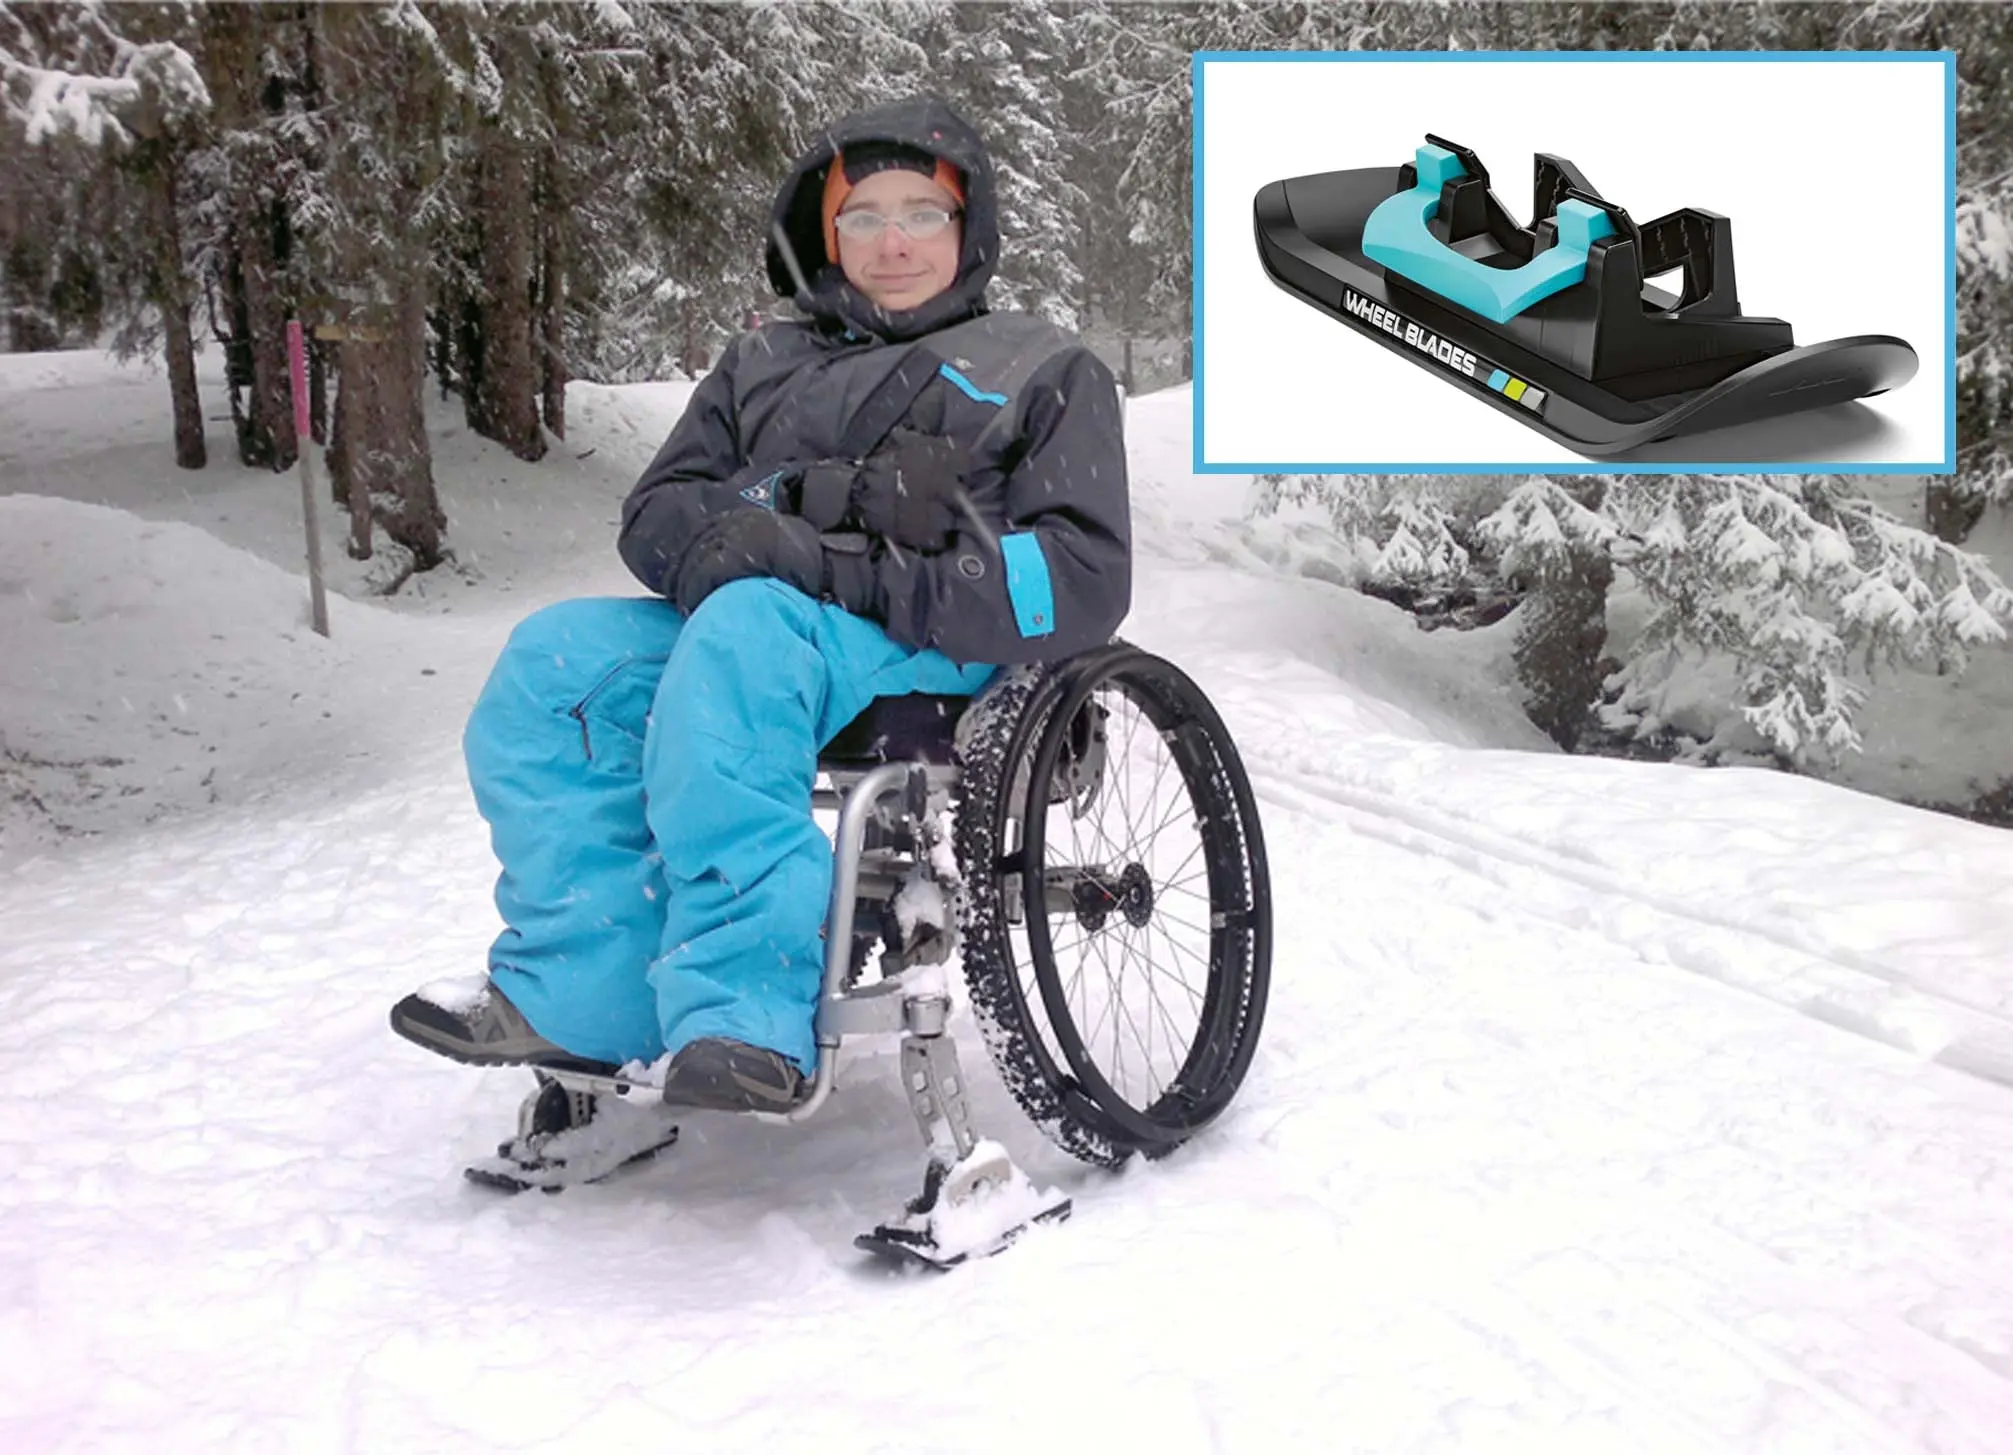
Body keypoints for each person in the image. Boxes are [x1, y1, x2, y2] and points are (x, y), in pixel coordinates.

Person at [389, 95, 1132, 1115]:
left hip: (936, 640)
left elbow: (1082, 577)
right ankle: (587, 995)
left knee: (746, 635)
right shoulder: (761, 363)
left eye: (923, 212)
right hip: (762, 630)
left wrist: (885, 558)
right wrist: (782, 504)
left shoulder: (1044, 369)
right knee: (555, 661)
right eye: (864, 216)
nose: (895, 241)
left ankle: (750, 1010)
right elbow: (656, 514)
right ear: (826, 235)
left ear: (970, 227)